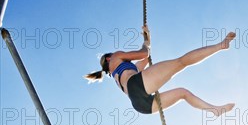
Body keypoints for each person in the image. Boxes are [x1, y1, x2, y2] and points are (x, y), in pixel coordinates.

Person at [84, 26, 236, 116]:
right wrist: (145, 45)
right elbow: (144, 54)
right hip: (137, 85)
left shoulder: (120, 75)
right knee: (181, 62)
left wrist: (146, 38)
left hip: (139, 104)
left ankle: (215, 110)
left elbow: (145, 57)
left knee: (183, 93)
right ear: (109, 58)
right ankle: (221, 45)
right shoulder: (117, 57)